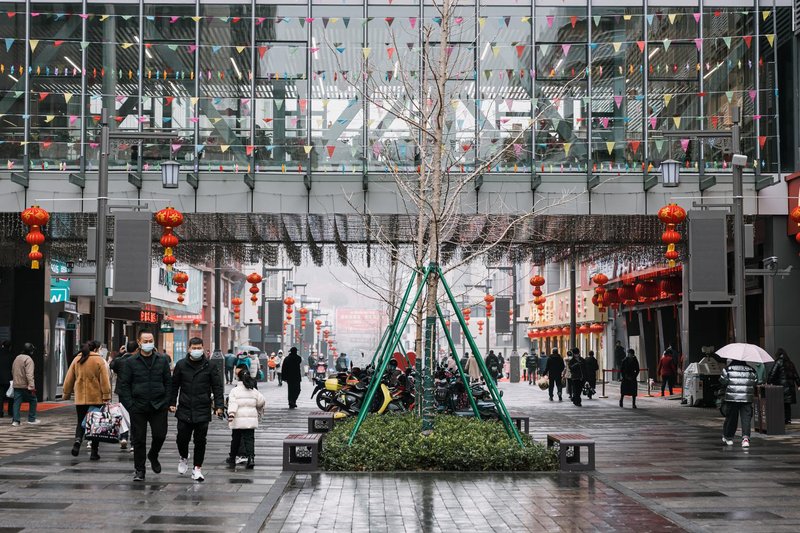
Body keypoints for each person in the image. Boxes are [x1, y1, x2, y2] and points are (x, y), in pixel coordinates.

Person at [118, 330, 171, 482]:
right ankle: (140, 470)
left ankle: (153, 454)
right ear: (139, 342)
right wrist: (130, 405)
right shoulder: (130, 362)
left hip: (158, 405)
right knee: (139, 440)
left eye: (150, 341)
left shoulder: (162, 360)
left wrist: (166, 401)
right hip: (138, 406)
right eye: (145, 341)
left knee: (160, 435)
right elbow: (124, 385)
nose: (148, 343)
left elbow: (168, 382)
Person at [169, 337, 224, 482]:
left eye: (199, 348)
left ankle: (197, 468)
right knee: (182, 438)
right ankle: (183, 456)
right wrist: (172, 402)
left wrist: (219, 406)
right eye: (194, 348)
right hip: (185, 408)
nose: (196, 350)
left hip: (202, 408)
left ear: (203, 348)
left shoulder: (210, 366)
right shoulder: (181, 365)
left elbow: (217, 387)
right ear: (189, 349)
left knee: (200, 441)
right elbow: (174, 385)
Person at [63, 341, 111, 461]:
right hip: (96, 398)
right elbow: (104, 380)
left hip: (80, 398)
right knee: (95, 425)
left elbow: (69, 378)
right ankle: (94, 452)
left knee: (80, 421)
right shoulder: (98, 360)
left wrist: (66, 393)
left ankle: (78, 441)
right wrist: (106, 395)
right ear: (95, 349)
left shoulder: (77, 359)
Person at [226, 365, 265, 469]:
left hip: (238, 419)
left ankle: (232, 458)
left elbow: (232, 403)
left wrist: (231, 414)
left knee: (236, 439)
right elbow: (261, 401)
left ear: (238, 378)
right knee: (249, 439)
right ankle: (251, 458)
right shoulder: (253, 390)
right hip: (250, 420)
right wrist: (258, 409)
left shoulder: (235, 391)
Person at [719, 358, 758, 447]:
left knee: (732, 418)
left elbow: (723, 381)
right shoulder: (751, 370)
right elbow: (755, 382)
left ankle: (729, 437)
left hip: (732, 398)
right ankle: (745, 438)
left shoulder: (728, 369)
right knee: (746, 419)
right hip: (747, 397)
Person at [110, 340, 138, 451]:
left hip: (122, 392)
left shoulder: (120, 360)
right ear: (137, 349)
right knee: (135, 417)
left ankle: (123, 437)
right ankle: (133, 443)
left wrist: (119, 354)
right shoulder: (137, 360)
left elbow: (112, 365)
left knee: (123, 414)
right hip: (135, 392)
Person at [767, 348, 800, 424]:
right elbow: (796, 375)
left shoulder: (778, 362)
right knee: (787, 405)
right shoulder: (790, 363)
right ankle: (788, 419)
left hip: (781, 387)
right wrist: (798, 384)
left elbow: (772, 373)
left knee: (780, 404)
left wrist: (769, 382)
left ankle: (781, 420)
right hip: (790, 387)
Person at [11, 343, 38, 426]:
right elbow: (29, 374)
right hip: (25, 385)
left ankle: (15, 421)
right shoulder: (28, 360)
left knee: (16, 402)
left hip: (16, 384)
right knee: (33, 400)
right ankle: (32, 419)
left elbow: (13, 370)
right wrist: (32, 386)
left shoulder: (17, 358)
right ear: (31, 351)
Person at [0, 340, 14, 418]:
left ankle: (0, 412)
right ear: (10, 347)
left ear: (2, 345)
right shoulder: (11, 355)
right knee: (11, 395)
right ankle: (10, 411)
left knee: (0, 396)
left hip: (0, 379)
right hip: (9, 378)